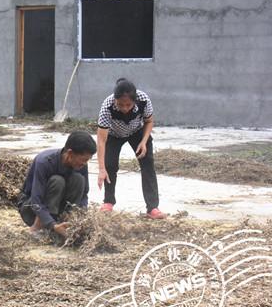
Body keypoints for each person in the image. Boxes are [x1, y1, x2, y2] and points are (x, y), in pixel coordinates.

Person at [96, 78, 166, 219]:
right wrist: (101, 168)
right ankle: (108, 202)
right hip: (114, 135)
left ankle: (152, 208)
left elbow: (149, 121)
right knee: (110, 166)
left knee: (147, 165)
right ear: (115, 100)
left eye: (128, 105)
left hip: (137, 132)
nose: (124, 108)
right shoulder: (107, 106)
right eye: (120, 104)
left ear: (134, 101)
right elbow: (101, 140)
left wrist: (144, 141)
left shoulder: (143, 99)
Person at [17, 131, 97, 239]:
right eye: (83, 159)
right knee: (57, 181)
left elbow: (83, 195)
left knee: (79, 180)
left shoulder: (81, 165)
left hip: (57, 208)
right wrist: (52, 224)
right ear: (70, 153)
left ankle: (65, 223)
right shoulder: (44, 162)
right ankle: (37, 228)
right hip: (31, 208)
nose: (84, 163)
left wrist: (81, 218)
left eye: (88, 160)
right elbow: (37, 201)